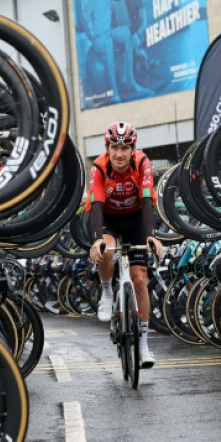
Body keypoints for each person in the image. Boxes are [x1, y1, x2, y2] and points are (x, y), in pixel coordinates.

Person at [86, 122, 163, 368]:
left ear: (133, 149)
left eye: (125, 147)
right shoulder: (98, 167)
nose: (120, 153)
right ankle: (107, 292)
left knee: (139, 280)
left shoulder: (143, 163)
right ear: (107, 148)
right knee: (106, 251)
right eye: (115, 147)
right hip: (108, 218)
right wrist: (97, 238)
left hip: (136, 218)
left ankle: (143, 346)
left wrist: (151, 235)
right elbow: (96, 206)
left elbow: (147, 201)